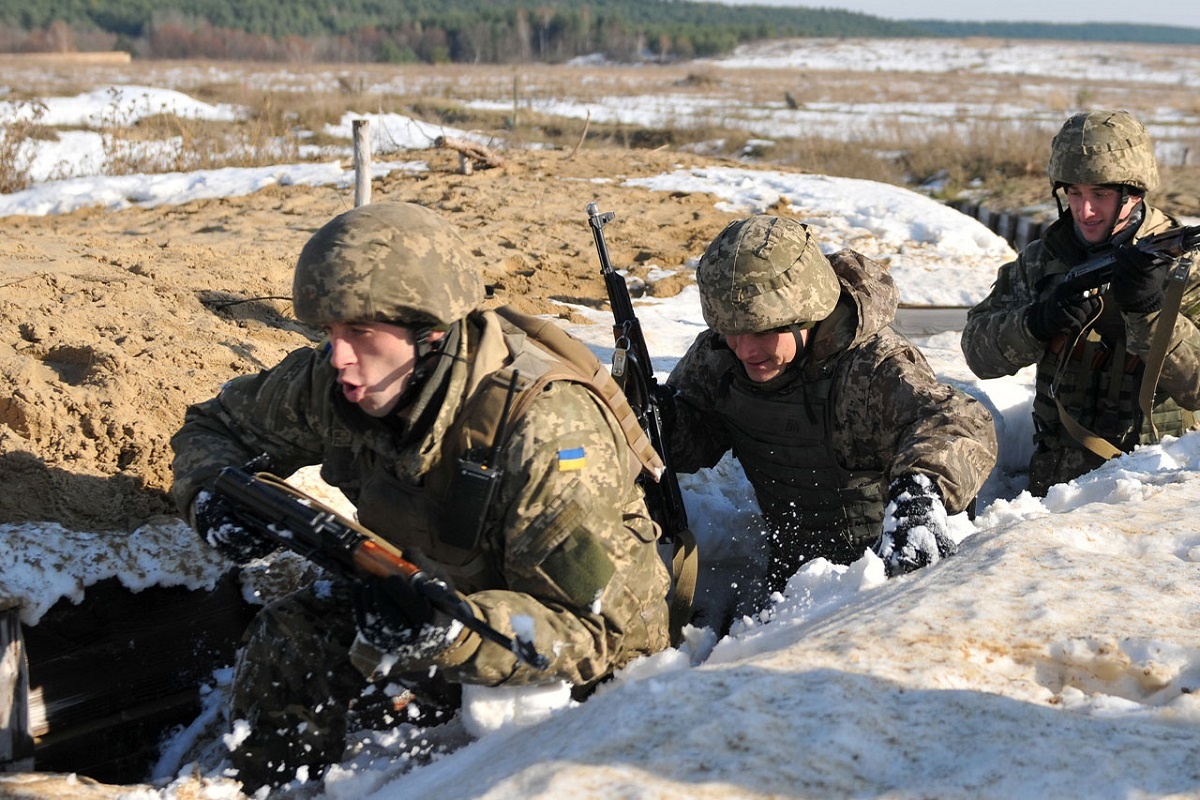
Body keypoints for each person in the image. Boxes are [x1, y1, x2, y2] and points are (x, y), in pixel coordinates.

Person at [169, 201, 672, 790]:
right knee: (293, 635)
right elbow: (215, 427)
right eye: (329, 333)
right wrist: (210, 497)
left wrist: (448, 634)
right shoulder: (341, 380)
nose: (339, 357)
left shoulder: (545, 429)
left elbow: (600, 634)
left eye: (360, 333)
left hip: (573, 661)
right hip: (429, 593)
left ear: (429, 333)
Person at [662, 214, 997, 602]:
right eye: (732, 331)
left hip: (881, 583)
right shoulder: (720, 355)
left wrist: (919, 496)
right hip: (788, 584)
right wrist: (661, 420)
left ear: (808, 314)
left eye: (764, 330)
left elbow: (960, 422)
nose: (746, 349)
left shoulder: (870, 367)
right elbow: (695, 435)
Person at [961, 110, 1200, 496]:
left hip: (1153, 488)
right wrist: (1036, 323)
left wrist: (1150, 311)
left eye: (1100, 195)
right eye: (1074, 193)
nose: (1084, 211)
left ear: (1134, 193)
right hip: (1053, 493)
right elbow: (977, 353)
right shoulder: (1043, 260)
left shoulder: (1185, 270)